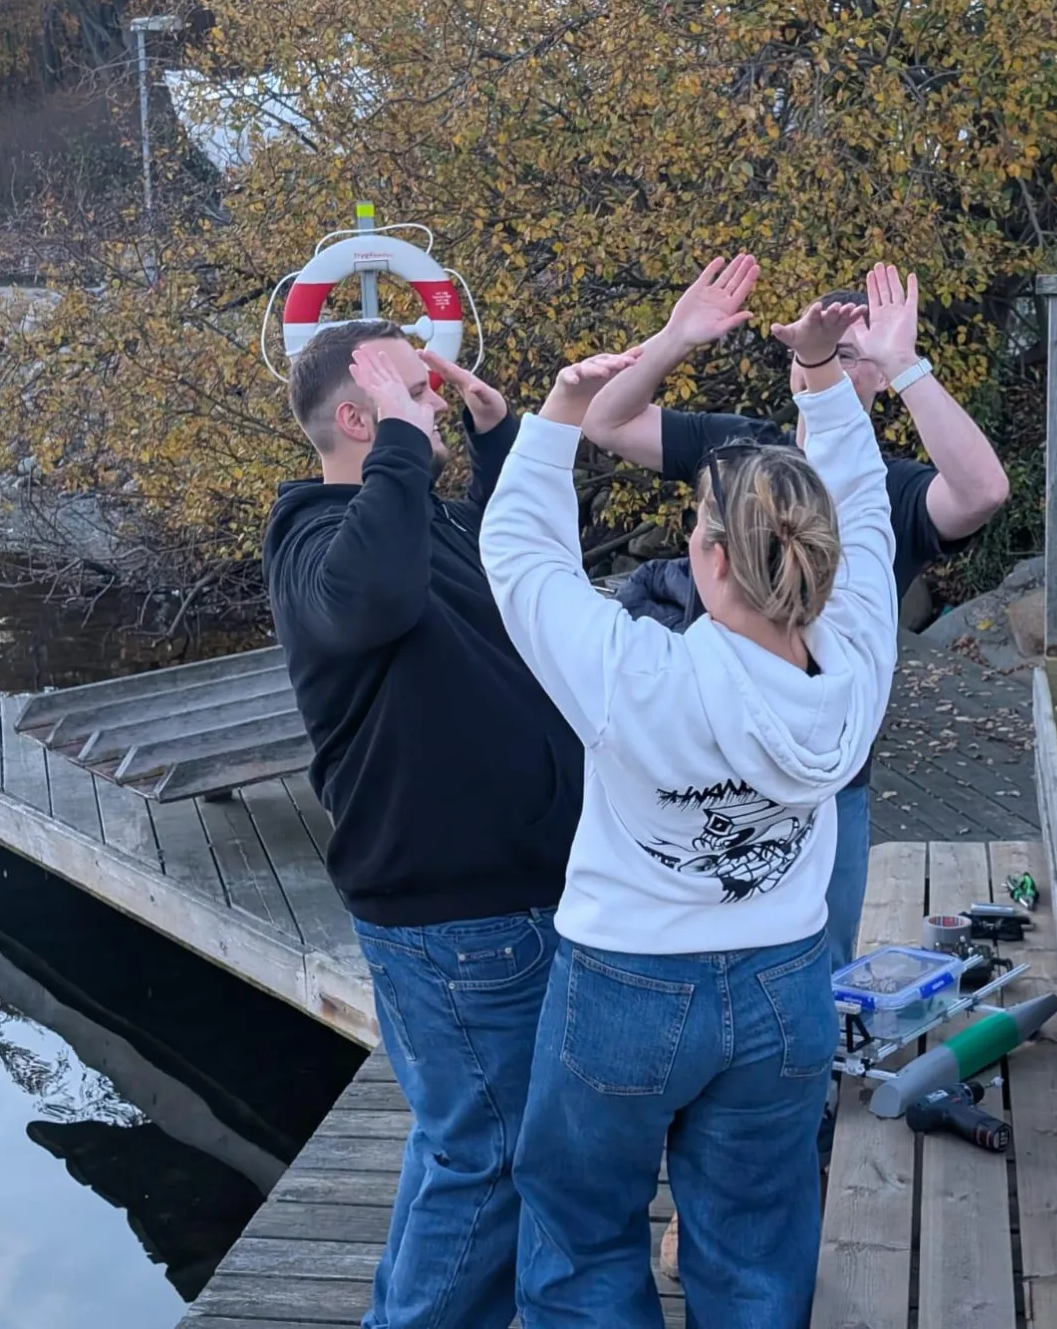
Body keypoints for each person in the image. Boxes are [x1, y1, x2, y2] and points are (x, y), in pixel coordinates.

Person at [477, 285, 899, 1328]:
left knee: (580, 1239)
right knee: (757, 1245)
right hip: (787, 985)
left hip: (623, 984)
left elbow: (519, 556)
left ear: (708, 560)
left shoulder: (637, 677)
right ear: (824, 560)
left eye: (699, 529)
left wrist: (558, 415)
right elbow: (869, 505)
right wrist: (819, 374)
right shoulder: (857, 666)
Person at [262, 320, 583, 1329]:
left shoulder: (412, 518)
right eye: (417, 392)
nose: (436, 399)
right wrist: (405, 444)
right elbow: (371, 602)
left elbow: (516, 570)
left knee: (463, 1142)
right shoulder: (317, 537)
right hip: (457, 923)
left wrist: (493, 444)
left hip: (501, 902)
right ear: (359, 417)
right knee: (486, 1158)